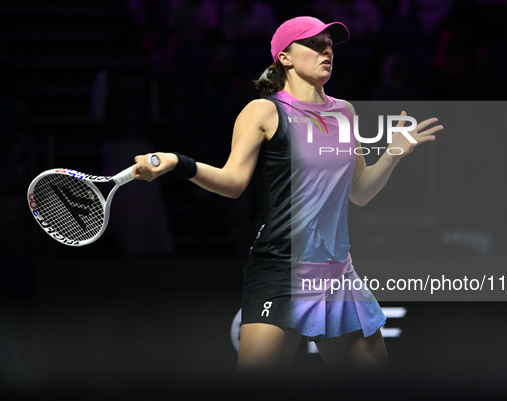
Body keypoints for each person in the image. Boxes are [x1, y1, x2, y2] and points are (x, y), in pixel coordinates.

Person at [132, 16, 443, 375]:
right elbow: (233, 182)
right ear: (285, 57)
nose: (326, 50)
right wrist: (177, 163)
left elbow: (359, 192)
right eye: (313, 43)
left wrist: (392, 154)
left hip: (336, 273)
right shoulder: (263, 111)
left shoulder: (344, 112)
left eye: (329, 44)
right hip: (280, 269)